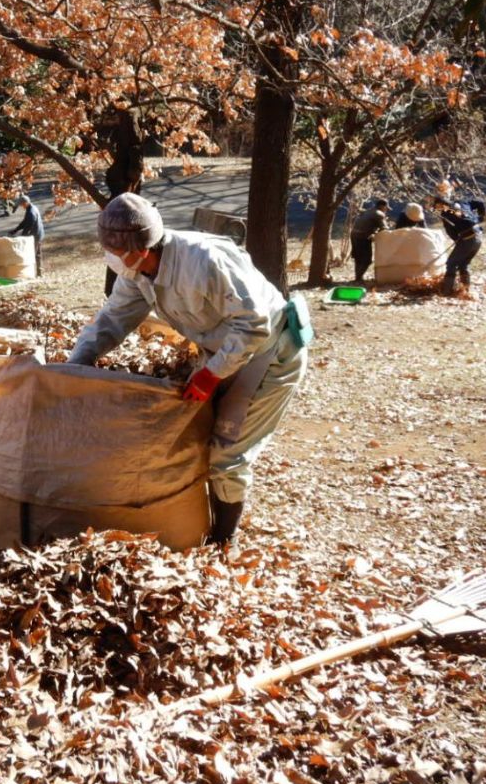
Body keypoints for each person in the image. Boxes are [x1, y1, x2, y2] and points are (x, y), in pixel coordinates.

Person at [67, 193, 309, 547]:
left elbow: (254, 325)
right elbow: (112, 319)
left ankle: (223, 542)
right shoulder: (137, 273)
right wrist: (76, 364)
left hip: (269, 351)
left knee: (227, 452)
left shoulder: (203, 262)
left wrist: (212, 374)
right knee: (199, 434)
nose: (113, 259)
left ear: (143, 248)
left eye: (117, 252)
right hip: (223, 349)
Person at [431, 194, 483, 294]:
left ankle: (446, 291)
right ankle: (465, 290)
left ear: (440, 205)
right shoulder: (463, 201)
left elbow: (450, 232)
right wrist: (481, 217)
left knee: (451, 263)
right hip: (479, 236)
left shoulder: (445, 213)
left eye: (437, 207)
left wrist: (457, 240)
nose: (437, 210)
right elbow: (480, 203)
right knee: (464, 264)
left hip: (468, 238)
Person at [349, 199, 390, 282]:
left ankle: (358, 278)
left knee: (358, 258)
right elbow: (385, 228)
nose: (386, 210)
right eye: (386, 208)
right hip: (363, 237)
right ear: (382, 206)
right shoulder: (379, 214)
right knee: (367, 260)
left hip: (354, 235)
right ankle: (358, 278)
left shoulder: (367, 211)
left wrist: (374, 232)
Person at [10, 193, 45, 276]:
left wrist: (23, 236)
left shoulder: (31, 212)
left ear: (25, 203)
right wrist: (15, 230)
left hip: (35, 235)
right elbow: (24, 222)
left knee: (32, 254)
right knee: (37, 254)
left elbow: (28, 226)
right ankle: (39, 273)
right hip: (39, 233)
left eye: (22, 205)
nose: (22, 206)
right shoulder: (32, 208)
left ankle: (34, 273)